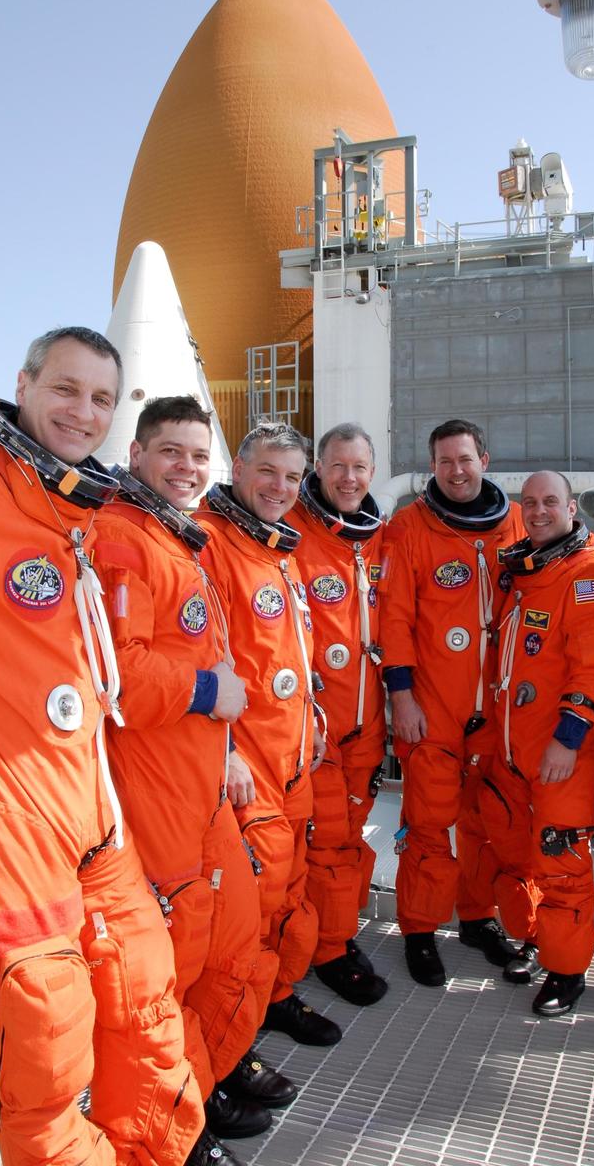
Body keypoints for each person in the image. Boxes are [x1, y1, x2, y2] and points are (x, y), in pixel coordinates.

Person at [0, 329, 204, 1166]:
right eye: (65, 389)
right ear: (24, 384)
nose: (82, 412)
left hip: (87, 815)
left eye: (101, 399)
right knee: (45, 1050)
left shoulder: (71, 512)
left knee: (148, 1012)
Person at [96, 397, 298, 1166]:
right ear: (138, 455)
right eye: (171, 452)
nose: (186, 468)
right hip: (156, 800)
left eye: (197, 455)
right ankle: (174, 1136)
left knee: (234, 947)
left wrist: (227, 744)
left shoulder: (178, 541)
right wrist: (214, 693)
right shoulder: (123, 538)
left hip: (205, 788)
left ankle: (207, 1080)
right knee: (167, 983)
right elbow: (121, 674)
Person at [198, 423, 343, 1046]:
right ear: (237, 468)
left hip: (292, 758)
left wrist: (312, 725)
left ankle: (274, 996)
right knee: (250, 904)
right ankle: (231, 1039)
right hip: (247, 767)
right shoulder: (209, 542)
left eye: (291, 477)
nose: (279, 488)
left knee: (288, 888)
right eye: (267, 472)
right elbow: (206, 656)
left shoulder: (277, 549)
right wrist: (228, 754)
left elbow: (288, 655)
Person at [380, 419, 523, 986]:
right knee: (428, 821)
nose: (456, 471)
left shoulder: (518, 522)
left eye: (465, 460)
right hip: (433, 706)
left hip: (500, 709)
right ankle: (419, 929)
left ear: (484, 459)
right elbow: (394, 618)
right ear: (431, 467)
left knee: (488, 820)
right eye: (444, 462)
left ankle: (478, 917)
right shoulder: (409, 527)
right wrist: (402, 698)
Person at [478, 471, 594, 1015]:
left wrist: (568, 739)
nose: (538, 512)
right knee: (517, 852)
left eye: (550, 502)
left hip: (561, 752)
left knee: (561, 859)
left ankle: (567, 970)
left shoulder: (589, 573)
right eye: (530, 502)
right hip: (512, 746)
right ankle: (540, 939)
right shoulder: (522, 572)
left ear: (572, 508)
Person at [289, 422, 388, 1007]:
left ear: (372, 473)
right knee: (324, 840)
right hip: (316, 727)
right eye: (338, 466)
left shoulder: (382, 540)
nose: (349, 479)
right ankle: (328, 950)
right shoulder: (290, 533)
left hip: (368, 723)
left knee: (352, 837)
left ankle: (337, 933)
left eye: (359, 468)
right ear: (318, 469)